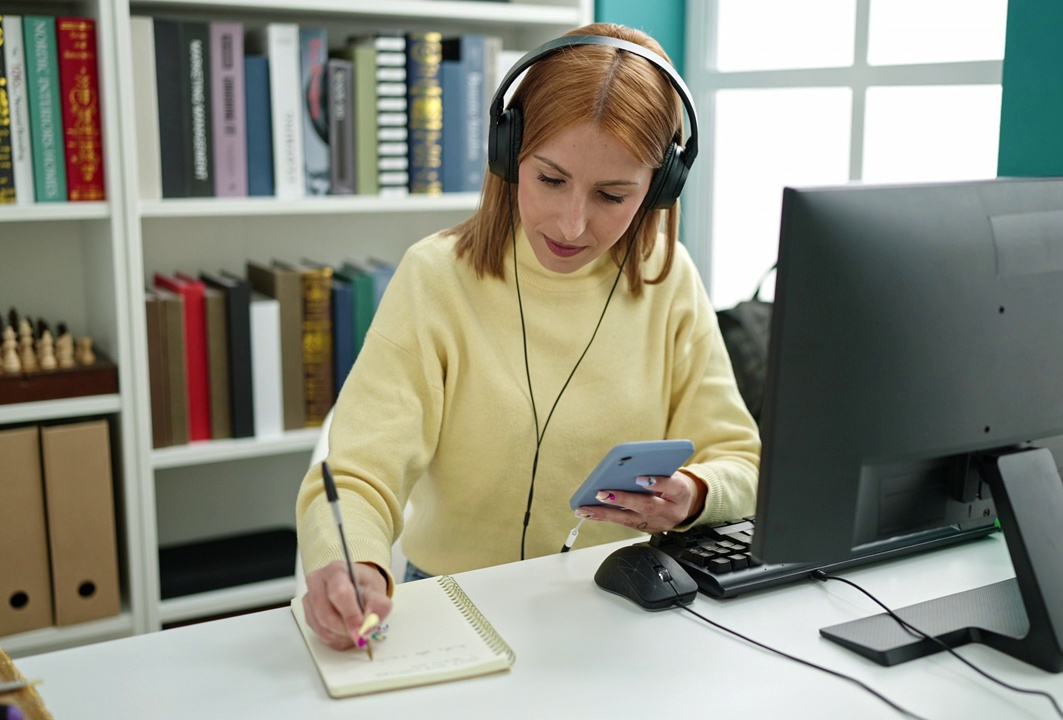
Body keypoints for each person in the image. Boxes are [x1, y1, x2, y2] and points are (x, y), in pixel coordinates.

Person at [297, 22, 760, 651]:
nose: (572, 223)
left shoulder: (669, 280)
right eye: (550, 180)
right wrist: (351, 562)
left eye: (612, 194)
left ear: (660, 185)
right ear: (508, 152)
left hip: (621, 610)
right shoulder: (434, 277)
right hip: (451, 602)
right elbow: (354, 476)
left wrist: (695, 493)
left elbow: (743, 460)